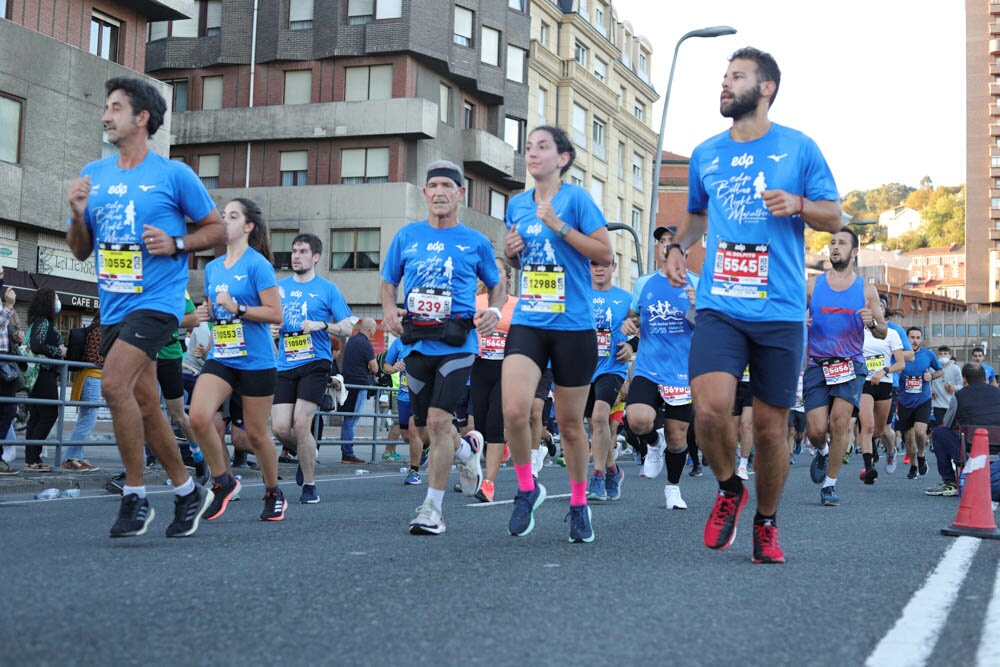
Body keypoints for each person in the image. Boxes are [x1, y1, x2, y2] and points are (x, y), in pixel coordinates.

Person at [665, 47, 842, 563]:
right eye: (723, 76)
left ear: (766, 88)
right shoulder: (706, 153)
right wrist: (679, 246)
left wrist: (801, 206)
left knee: (768, 430)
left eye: (736, 76)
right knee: (711, 408)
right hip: (721, 303)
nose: (724, 84)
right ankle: (727, 488)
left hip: (781, 310)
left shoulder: (798, 148)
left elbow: (835, 216)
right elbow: (697, 216)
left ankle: (766, 523)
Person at [66, 78, 224, 537]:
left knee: (113, 384)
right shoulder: (95, 173)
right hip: (114, 305)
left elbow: (214, 229)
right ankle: (186, 490)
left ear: (141, 118)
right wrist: (77, 214)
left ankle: (134, 496)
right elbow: (80, 252)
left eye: (115, 107)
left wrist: (177, 242)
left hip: (158, 302)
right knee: (144, 402)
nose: (105, 116)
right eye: (105, 106)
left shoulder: (173, 175)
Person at [380, 159, 503, 535]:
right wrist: (388, 311)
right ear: (425, 193)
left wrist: (494, 309)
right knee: (425, 425)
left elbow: (497, 284)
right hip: (416, 341)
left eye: (447, 186)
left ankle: (432, 509)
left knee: (436, 420)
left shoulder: (475, 241)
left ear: (459, 194)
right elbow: (388, 283)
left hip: (457, 340)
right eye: (432, 185)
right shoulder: (407, 236)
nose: (439, 192)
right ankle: (467, 451)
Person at [502, 126, 612, 543]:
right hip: (530, 320)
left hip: (573, 325)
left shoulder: (577, 199)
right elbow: (518, 263)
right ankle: (528, 488)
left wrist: (560, 226)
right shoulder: (516, 204)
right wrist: (512, 253)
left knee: (569, 426)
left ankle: (580, 503)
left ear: (562, 158)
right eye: (529, 147)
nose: (532, 154)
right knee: (514, 410)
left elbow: (604, 253)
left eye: (542, 147)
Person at [189, 197, 284, 522]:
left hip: (257, 360)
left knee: (255, 434)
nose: (223, 221)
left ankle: (273, 491)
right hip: (223, 356)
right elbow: (219, 314)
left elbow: (275, 313)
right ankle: (222, 480)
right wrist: (206, 314)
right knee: (199, 418)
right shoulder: (213, 268)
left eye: (231, 216)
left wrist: (239, 308)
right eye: (222, 215)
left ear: (247, 227)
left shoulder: (258, 264)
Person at [803, 227, 886, 506]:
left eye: (841, 243)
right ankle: (823, 450)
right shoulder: (813, 285)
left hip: (850, 364)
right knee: (815, 431)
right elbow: (792, 314)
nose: (835, 247)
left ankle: (830, 484)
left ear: (854, 251)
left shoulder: (866, 289)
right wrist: (799, 321)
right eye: (832, 243)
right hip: (817, 363)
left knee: (839, 422)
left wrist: (872, 322)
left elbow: (883, 331)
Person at [271, 233, 352, 504]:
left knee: (300, 423)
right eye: (294, 251)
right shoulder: (279, 288)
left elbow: (348, 327)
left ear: (315, 257)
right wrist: (271, 328)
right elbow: (269, 318)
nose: (296, 255)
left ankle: (309, 485)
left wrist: (324, 325)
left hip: (315, 362)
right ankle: (308, 451)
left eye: (303, 251)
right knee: (281, 429)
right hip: (285, 362)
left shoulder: (328, 289)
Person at [621, 225, 697, 510]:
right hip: (648, 367)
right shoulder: (644, 283)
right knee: (637, 419)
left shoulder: (697, 284)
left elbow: (708, 326)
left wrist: (698, 307)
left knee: (678, 437)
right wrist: (629, 325)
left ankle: (673, 489)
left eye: (672, 243)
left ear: (684, 251)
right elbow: (632, 319)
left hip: (681, 371)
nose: (667, 247)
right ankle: (653, 442)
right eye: (663, 242)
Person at [469, 260, 517, 502]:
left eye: (499, 270)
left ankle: (489, 483)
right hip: (479, 367)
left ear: (507, 277)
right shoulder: (476, 301)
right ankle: (477, 473)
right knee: (479, 426)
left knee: (495, 423)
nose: (494, 274)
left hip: (506, 369)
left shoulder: (516, 305)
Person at [585, 256, 632, 503]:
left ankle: (598, 475)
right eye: (594, 263)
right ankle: (614, 470)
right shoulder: (579, 295)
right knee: (594, 425)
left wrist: (631, 346)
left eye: (605, 263)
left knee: (600, 417)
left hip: (612, 368)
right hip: (582, 368)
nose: (599, 268)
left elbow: (641, 328)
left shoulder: (626, 299)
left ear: (614, 267)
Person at [926, 363, 1000, 496]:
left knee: (939, 432)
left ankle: (950, 482)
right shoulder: (998, 393)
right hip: (997, 449)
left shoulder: (959, 396)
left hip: (971, 451)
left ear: (964, 379)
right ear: (985, 378)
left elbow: (947, 423)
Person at [856, 312, 905, 482]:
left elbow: (900, 363)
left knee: (880, 430)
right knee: (867, 427)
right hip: (863, 382)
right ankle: (869, 468)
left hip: (884, 383)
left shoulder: (891, 334)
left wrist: (883, 371)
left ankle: (891, 451)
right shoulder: (857, 331)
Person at [23, 288, 67, 473]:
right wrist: (59, 351)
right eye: (56, 297)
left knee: (37, 416)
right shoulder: (43, 322)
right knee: (49, 414)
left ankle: (32, 459)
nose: (58, 301)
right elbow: (37, 345)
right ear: (48, 301)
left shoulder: (39, 321)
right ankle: (33, 458)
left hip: (41, 374)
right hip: (42, 373)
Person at [897, 327, 943, 480]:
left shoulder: (928, 354)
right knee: (909, 438)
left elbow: (940, 371)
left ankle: (922, 455)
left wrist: (931, 376)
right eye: (912, 337)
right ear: (907, 338)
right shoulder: (899, 355)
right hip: (904, 401)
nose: (915, 340)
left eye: (918, 337)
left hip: (923, 400)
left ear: (921, 339)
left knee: (920, 432)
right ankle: (914, 465)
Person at [65, 312, 103, 472]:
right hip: (91, 377)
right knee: (87, 419)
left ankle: (76, 458)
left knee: (85, 418)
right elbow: (93, 357)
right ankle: (70, 458)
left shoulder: (99, 327)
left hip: (92, 377)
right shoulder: (100, 329)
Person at [340, 318, 379, 464]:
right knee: (352, 420)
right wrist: (371, 367)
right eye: (374, 328)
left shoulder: (352, 341)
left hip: (348, 384)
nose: (375, 331)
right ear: (370, 329)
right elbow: (375, 367)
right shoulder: (365, 343)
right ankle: (348, 453)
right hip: (359, 384)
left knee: (347, 418)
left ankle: (346, 453)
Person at [0, 280, 20, 475]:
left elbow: (4, 328)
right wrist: (9, 306)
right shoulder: (5, 304)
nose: (2, 278)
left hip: (4, 364)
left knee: (9, 409)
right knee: (8, 409)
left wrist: (15, 335)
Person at [930, 345, 963, 427]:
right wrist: (931, 391)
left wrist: (953, 388)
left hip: (951, 404)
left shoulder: (955, 369)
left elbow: (961, 385)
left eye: (945, 354)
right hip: (937, 404)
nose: (943, 356)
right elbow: (928, 383)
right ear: (937, 356)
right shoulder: (932, 369)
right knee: (940, 427)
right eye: (940, 354)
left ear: (950, 356)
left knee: (951, 428)